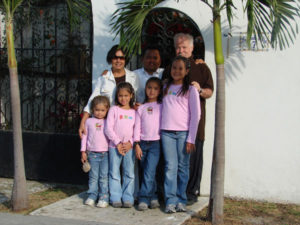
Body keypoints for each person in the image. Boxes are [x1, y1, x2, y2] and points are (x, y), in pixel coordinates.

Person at [163, 33, 214, 205]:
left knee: (190, 163)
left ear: (192, 48)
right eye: (178, 46)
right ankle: (171, 196)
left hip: (194, 126)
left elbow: (210, 92)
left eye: (184, 47)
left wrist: (199, 90)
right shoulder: (170, 68)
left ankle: (189, 194)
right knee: (171, 165)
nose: (181, 50)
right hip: (170, 128)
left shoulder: (201, 68)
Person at [161, 56, 201, 213]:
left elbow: (196, 115)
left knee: (183, 167)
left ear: (186, 71)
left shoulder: (191, 90)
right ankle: (170, 200)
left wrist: (191, 138)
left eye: (180, 68)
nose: (176, 71)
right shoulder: (165, 87)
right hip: (167, 133)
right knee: (170, 167)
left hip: (184, 134)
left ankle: (181, 199)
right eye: (174, 68)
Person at [78, 45, 139, 138]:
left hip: (126, 125)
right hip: (106, 124)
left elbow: (137, 99)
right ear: (111, 59)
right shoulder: (104, 77)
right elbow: (93, 99)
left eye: (121, 58)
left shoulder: (133, 77)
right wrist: (83, 122)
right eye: (115, 57)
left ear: (125, 59)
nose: (118, 60)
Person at [104, 82, 136, 208]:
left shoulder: (134, 112)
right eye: (120, 96)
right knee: (114, 173)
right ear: (117, 96)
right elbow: (108, 128)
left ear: (131, 95)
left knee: (129, 173)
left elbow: (137, 130)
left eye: (126, 95)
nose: (123, 98)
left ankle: (128, 197)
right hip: (114, 147)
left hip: (129, 148)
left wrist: (130, 143)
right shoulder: (114, 110)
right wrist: (117, 143)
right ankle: (115, 197)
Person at [134, 77, 163, 211]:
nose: (152, 91)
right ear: (145, 89)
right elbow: (137, 127)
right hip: (142, 144)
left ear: (160, 91)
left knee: (150, 171)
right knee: (146, 171)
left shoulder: (162, 106)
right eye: (149, 88)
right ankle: (153, 196)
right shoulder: (141, 108)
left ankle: (144, 198)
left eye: (155, 88)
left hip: (155, 143)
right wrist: (137, 144)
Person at [80, 95, 110, 208]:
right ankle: (92, 195)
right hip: (92, 154)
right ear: (93, 109)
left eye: (103, 110)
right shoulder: (88, 122)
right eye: (97, 110)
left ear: (107, 110)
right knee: (93, 176)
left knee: (104, 177)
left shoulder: (108, 122)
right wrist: (83, 151)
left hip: (106, 154)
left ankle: (104, 197)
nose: (99, 113)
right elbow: (84, 137)